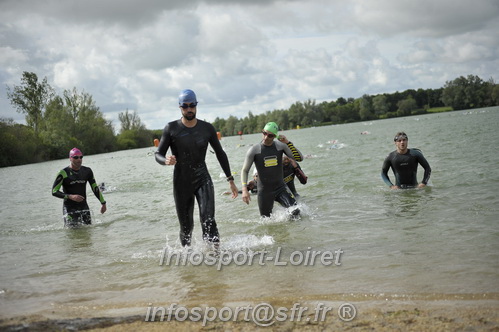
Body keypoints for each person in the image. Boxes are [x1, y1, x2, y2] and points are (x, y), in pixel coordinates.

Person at [155, 89, 238, 247]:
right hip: (181, 183)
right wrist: (165, 160)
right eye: (185, 106)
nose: (189, 109)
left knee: (208, 221)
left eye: (192, 105)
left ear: (196, 105)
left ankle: (215, 258)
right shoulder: (171, 128)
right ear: (180, 107)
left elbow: (220, 153)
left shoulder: (207, 128)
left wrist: (230, 179)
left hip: (202, 179)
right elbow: (158, 153)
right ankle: (188, 263)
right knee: (186, 228)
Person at [241, 122, 304, 217]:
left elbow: (300, 158)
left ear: (275, 136)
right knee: (266, 221)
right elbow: (244, 170)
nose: (266, 137)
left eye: (270, 135)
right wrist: (244, 189)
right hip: (264, 191)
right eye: (264, 133)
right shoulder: (254, 150)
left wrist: (288, 143)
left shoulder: (280, 146)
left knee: (296, 212)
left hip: (280, 188)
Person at [52, 148, 107, 227]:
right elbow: (54, 191)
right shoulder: (63, 173)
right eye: (76, 157)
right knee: (72, 234)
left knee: (88, 233)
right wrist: (71, 196)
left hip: (84, 206)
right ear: (70, 158)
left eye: (81, 157)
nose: (79, 159)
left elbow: (95, 188)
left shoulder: (87, 171)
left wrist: (103, 203)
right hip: (69, 208)